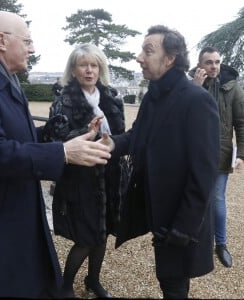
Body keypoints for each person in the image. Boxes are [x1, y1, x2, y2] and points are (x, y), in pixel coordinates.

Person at [0, 11, 112, 298]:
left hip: (13, 216)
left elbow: (19, 138)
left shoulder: (5, 79)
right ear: (1, 41)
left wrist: (68, 136)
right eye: (27, 41)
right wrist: (62, 153)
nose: (32, 48)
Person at [100, 25, 220, 298]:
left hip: (180, 219)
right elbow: (136, 135)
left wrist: (184, 229)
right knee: (169, 279)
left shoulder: (196, 100)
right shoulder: (154, 95)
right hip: (158, 211)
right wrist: (112, 144)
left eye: (148, 50)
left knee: (174, 285)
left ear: (170, 59)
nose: (139, 57)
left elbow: (204, 173)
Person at [44, 43, 125, 298]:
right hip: (80, 178)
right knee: (86, 237)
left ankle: (93, 281)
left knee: (101, 235)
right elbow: (54, 142)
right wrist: (86, 133)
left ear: (100, 68)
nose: (89, 70)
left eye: (94, 65)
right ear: (74, 69)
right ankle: (66, 287)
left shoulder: (111, 96)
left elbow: (120, 134)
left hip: (109, 175)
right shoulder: (64, 100)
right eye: (83, 65)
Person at [188, 46, 244, 268]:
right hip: (194, 152)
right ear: (200, 64)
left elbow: (241, 122)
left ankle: (220, 243)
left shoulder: (232, 88)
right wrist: (196, 88)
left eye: (217, 62)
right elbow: (183, 116)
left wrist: (241, 153)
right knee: (197, 197)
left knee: (217, 199)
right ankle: (198, 241)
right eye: (208, 62)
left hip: (220, 152)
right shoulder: (190, 84)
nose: (213, 66)